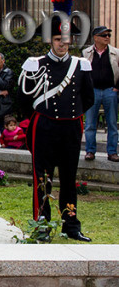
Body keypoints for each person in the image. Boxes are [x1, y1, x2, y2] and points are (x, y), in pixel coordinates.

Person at [19, 22, 95, 241]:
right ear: (50, 41)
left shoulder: (80, 65)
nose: (63, 44)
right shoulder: (36, 64)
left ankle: (71, 225)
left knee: (69, 178)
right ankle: (42, 226)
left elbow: (88, 98)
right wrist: (38, 119)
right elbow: (24, 99)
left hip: (70, 127)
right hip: (45, 127)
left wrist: (72, 115)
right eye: (58, 39)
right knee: (43, 179)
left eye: (66, 39)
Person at [82, 25, 119, 162]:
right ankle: (90, 151)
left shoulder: (116, 52)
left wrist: (117, 87)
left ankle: (112, 152)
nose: (107, 38)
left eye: (109, 35)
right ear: (96, 37)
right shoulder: (86, 53)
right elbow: (82, 73)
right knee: (90, 123)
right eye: (104, 35)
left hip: (110, 90)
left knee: (112, 123)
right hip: (93, 91)